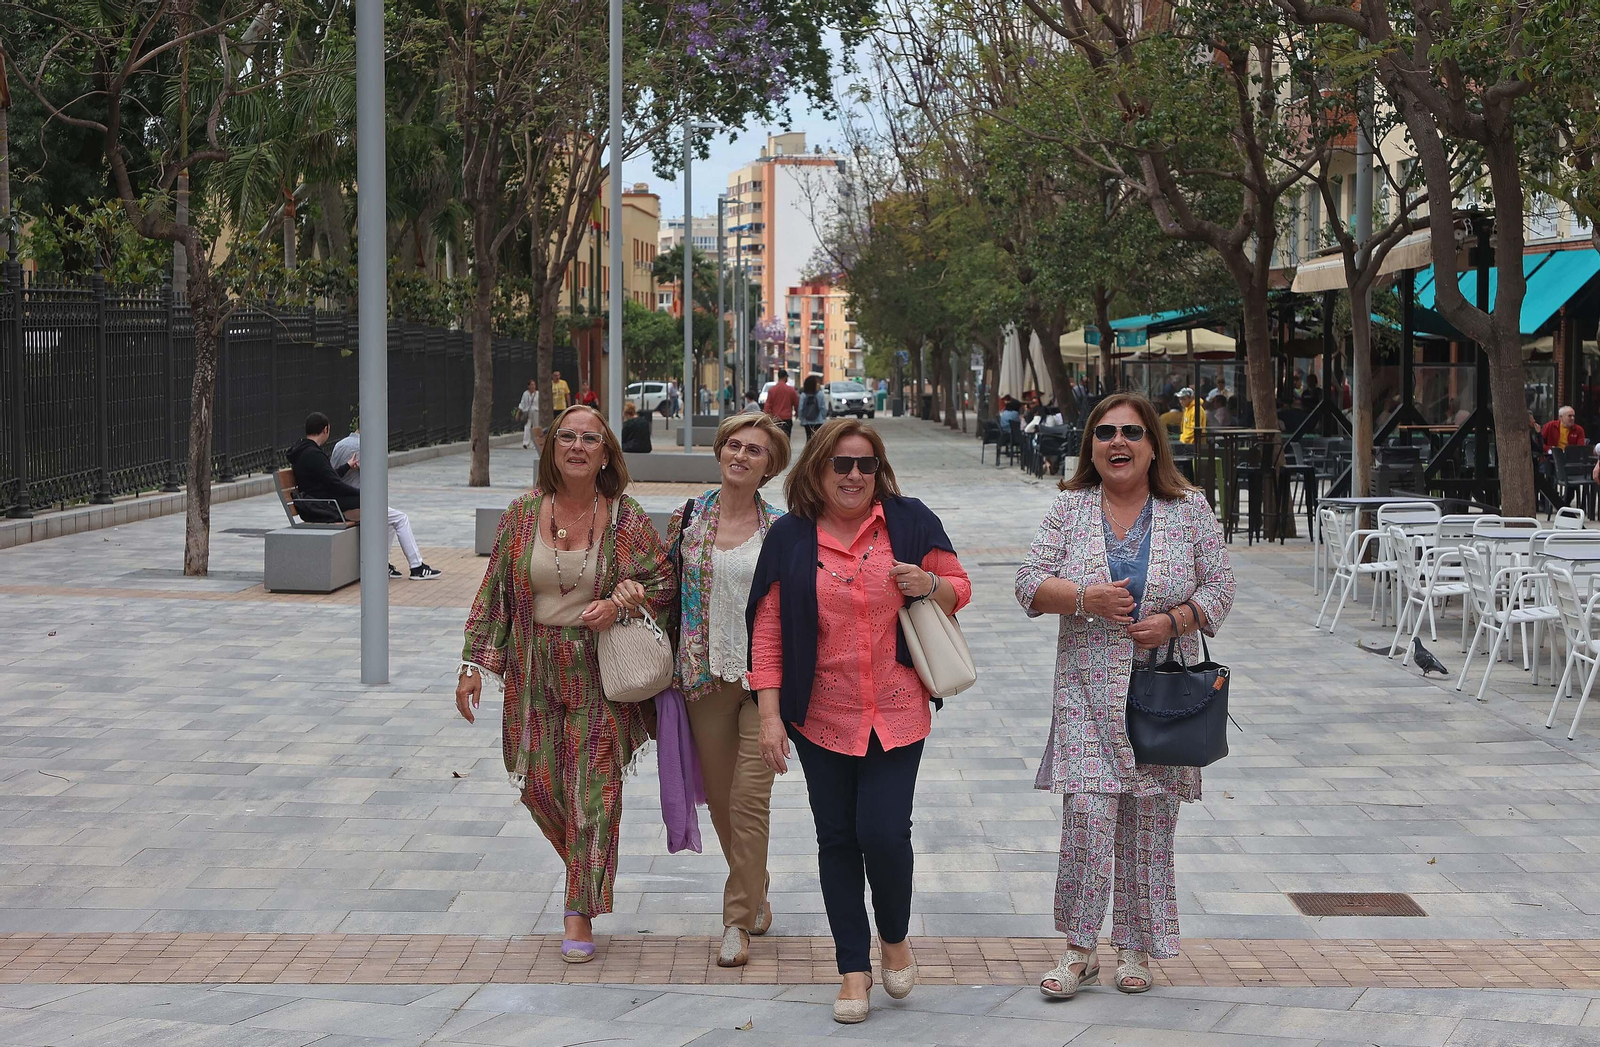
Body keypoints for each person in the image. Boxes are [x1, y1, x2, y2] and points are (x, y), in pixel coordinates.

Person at [748, 418, 972, 1025]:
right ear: (817, 470)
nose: (854, 476)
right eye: (841, 464)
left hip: (898, 712)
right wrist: (770, 717)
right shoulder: (790, 538)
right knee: (837, 840)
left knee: (883, 833)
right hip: (820, 717)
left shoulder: (909, 520)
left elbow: (959, 585)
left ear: (879, 471)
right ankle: (853, 969)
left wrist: (930, 584)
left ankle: (894, 936)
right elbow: (767, 632)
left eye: (866, 465)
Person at [1015, 391, 1235, 1002]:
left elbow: (1221, 585)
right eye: (1106, 432)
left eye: (1132, 433)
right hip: (1087, 690)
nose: (1118, 442)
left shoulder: (1188, 509)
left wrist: (1177, 620)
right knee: (1087, 816)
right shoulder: (1069, 509)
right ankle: (1080, 947)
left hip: (1165, 694)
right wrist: (1086, 598)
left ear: (1152, 446)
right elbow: (1028, 584)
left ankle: (1136, 944)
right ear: (1091, 444)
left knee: (1148, 822)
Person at [457, 404, 672, 964]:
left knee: (594, 793)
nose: (578, 446)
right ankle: (587, 863)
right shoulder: (523, 514)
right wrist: (473, 665)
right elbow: (494, 591)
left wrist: (624, 596)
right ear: (553, 448)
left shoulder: (624, 517)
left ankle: (578, 912)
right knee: (540, 789)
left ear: (606, 453)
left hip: (599, 670)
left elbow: (662, 578)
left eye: (590, 439)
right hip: (533, 669)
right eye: (567, 437)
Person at [665, 414, 792, 968]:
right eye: (734, 446)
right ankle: (755, 884)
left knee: (749, 800)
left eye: (755, 451)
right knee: (720, 800)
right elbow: (659, 584)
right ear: (720, 453)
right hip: (701, 674)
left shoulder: (784, 529)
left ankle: (735, 922)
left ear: (770, 466)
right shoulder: (688, 518)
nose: (741, 456)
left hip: (764, 684)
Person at [292, 414, 442, 580]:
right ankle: (417, 567)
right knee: (400, 518)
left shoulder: (304, 451)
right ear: (325, 429)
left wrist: (347, 466)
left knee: (388, 517)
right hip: (327, 507)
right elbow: (334, 483)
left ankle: (382, 565)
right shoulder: (314, 454)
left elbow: (329, 477)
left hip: (318, 503)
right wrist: (363, 495)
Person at [763, 369, 799, 436]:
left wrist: (767, 417)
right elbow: (796, 403)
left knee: (776, 439)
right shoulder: (791, 390)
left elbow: (767, 405)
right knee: (786, 438)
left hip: (775, 418)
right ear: (785, 377)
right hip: (787, 418)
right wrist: (797, 413)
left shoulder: (772, 390)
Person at [799, 374, 829, 440]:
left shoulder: (803, 395)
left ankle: (809, 450)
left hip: (806, 421)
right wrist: (823, 417)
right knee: (817, 439)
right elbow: (823, 407)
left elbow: (801, 408)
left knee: (809, 438)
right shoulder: (819, 394)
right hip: (818, 421)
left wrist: (801, 418)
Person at [518, 380, 541, 449]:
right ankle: (525, 442)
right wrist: (518, 412)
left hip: (536, 411)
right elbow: (522, 403)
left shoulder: (537, 393)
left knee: (536, 426)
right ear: (528, 386)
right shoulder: (525, 394)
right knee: (527, 426)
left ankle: (535, 443)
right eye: (531, 385)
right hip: (528, 412)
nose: (533, 386)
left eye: (534, 385)